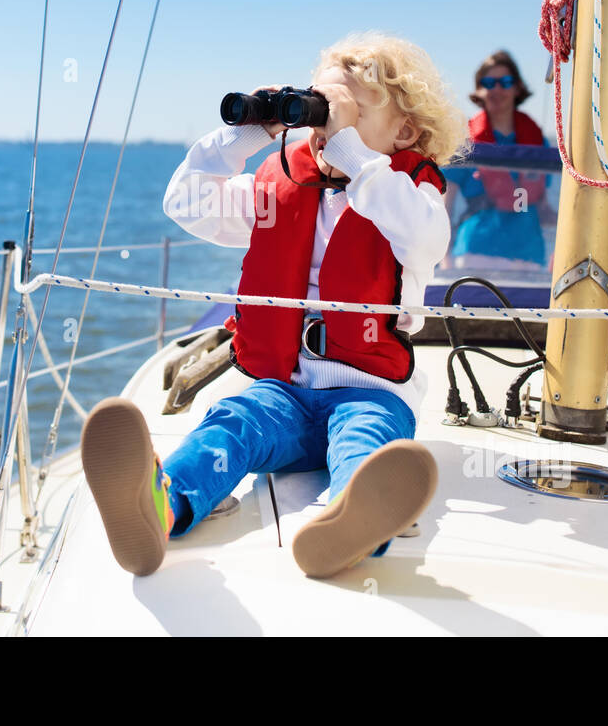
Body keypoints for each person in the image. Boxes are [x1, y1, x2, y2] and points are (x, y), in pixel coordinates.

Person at [80, 32, 470, 579]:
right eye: (317, 112)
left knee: (365, 444)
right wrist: (242, 137)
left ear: (404, 132)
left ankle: (349, 520)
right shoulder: (282, 185)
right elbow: (186, 202)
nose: (324, 131)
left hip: (371, 393)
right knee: (232, 422)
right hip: (283, 391)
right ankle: (162, 505)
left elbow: (421, 235)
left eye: (346, 114)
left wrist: (353, 153)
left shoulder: (411, 197)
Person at [441, 50, 556, 270]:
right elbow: (446, 208)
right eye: (488, 82)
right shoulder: (464, 139)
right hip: (475, 254)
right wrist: (444, 259)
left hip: (529, 257)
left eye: (505, 82)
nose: (497, 89)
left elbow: (543, 208)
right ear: (479, 90)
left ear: (517, 88)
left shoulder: (537, 140)